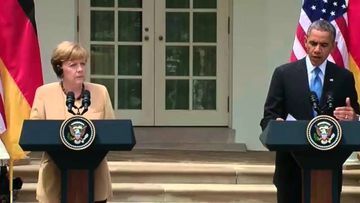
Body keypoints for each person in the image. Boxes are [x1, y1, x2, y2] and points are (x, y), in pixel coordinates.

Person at [260, 19, 360, 203]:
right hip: (291, 165)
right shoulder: (284, 74)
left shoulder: (343, 77)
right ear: (305, 41)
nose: (317, 50)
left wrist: (354, 117)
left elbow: (354, 115)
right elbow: (268, 117)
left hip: (328, 166)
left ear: (333, 46)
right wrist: (277, 126)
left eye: (323, 45)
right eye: (313, 43)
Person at [30, 41, 114, 203]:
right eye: (73, 65)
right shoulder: (44, 93)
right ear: (59, 67)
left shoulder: (100, 92)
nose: (80, 69)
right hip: (55, 175)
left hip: (94, 175)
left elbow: (111, 131)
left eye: (82, 63)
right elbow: (35, 132)